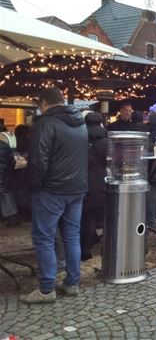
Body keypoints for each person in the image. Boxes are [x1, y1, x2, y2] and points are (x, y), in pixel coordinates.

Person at [20, 87, 88, 304]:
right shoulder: (80, 123)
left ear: (44, 102)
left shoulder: (45, 123)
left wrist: (33, 185)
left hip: (51, 190)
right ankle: (72, 283)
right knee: (71, 236)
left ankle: (46, 288)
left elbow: (38, 162)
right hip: (76, 189)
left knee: (44, 238)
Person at [80, 112, 107, 261]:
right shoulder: (106, 141)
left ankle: (84, 249)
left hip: (83, 181)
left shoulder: (80, 139)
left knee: (84, 217)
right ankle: (94, 241)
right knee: (94, 216)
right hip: (101, 181)